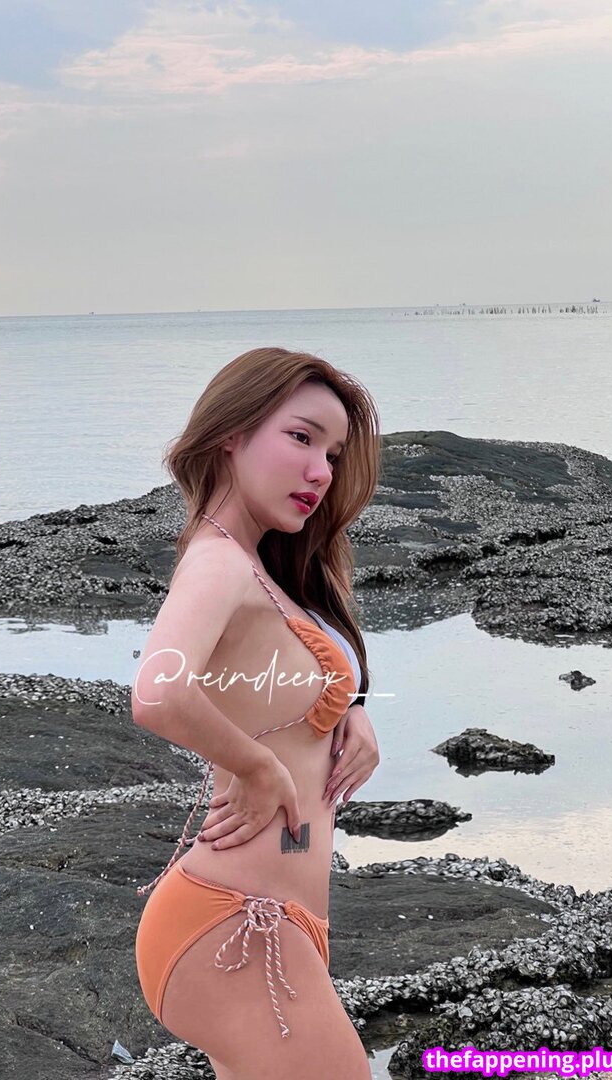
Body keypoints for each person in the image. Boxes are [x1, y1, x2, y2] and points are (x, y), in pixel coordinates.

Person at [132, 347, 381, 1079]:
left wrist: (349, 706)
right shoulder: (218, 563)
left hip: (276, 916)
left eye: (332, 454)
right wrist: (259, 767)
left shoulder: (262, 567)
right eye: (301, 437)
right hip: (235, 920)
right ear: (230, 435)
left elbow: (281, 672)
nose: (321, 472)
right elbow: (158, 692)